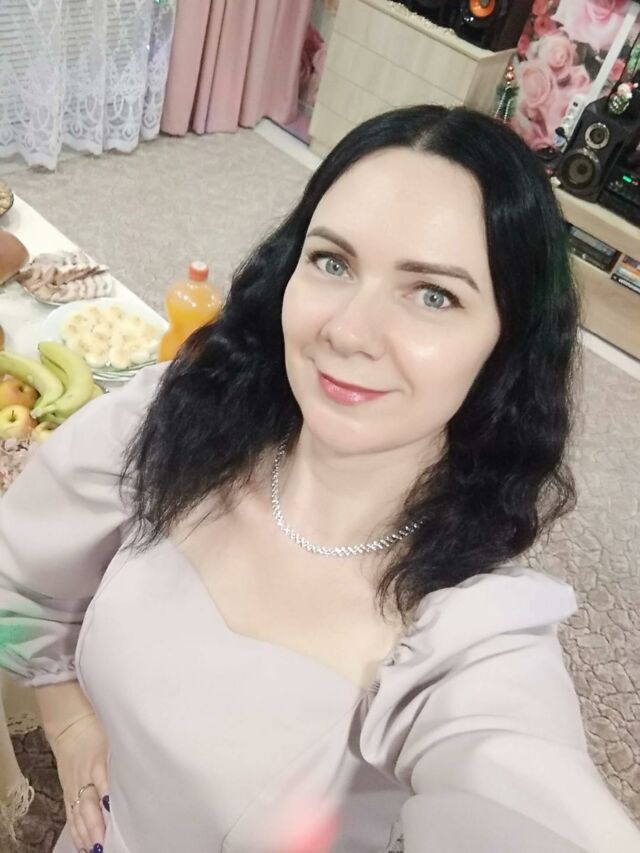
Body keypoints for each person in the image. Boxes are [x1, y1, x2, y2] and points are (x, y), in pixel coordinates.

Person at [0, 104, 638, 853]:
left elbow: (521, 795)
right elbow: (23, 579)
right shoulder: (173, 423)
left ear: (507, 344)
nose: (348, 331)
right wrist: (70, 722)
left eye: (434, 295)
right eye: (333, 262)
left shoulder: (470, 641)